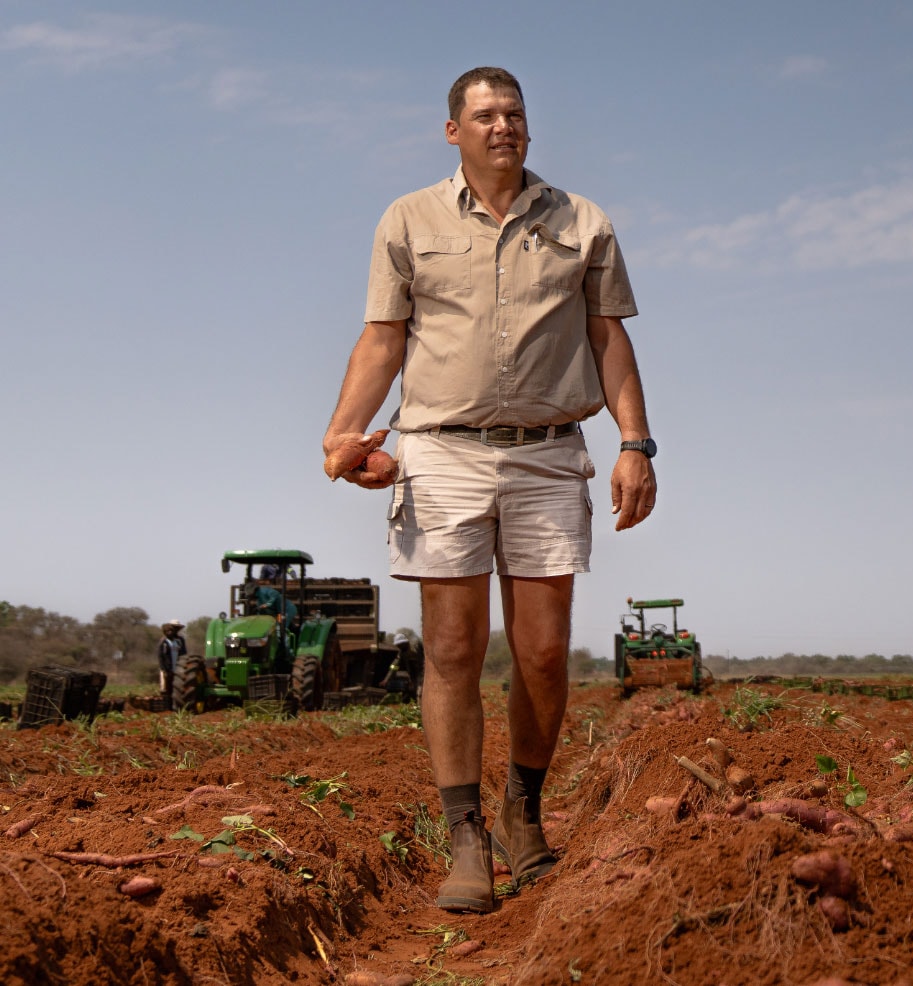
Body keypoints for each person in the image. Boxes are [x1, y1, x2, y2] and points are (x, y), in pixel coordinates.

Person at [323, 66, 657, 914]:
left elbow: (608, 339)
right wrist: (341, 433)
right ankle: (465, 831)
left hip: (549, 452)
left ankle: (524, 809)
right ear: (453, 131)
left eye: (514, 113)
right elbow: (381, 338)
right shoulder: (409, 219)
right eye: (485, 115)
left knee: (543, 652)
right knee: (454, 649)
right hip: (441, 450)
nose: (503, 126)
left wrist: (635, 444)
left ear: (528, 127)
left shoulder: (582, 222)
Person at [157, 620, 187, 708]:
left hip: (177, 668)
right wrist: (164, 669)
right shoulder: (164, 642)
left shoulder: (179, 641)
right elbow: (161, 657)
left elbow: (183, 653)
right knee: (165, 688)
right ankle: (167, 706)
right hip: (167, 668)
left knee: (177, 687)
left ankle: (175, 705)